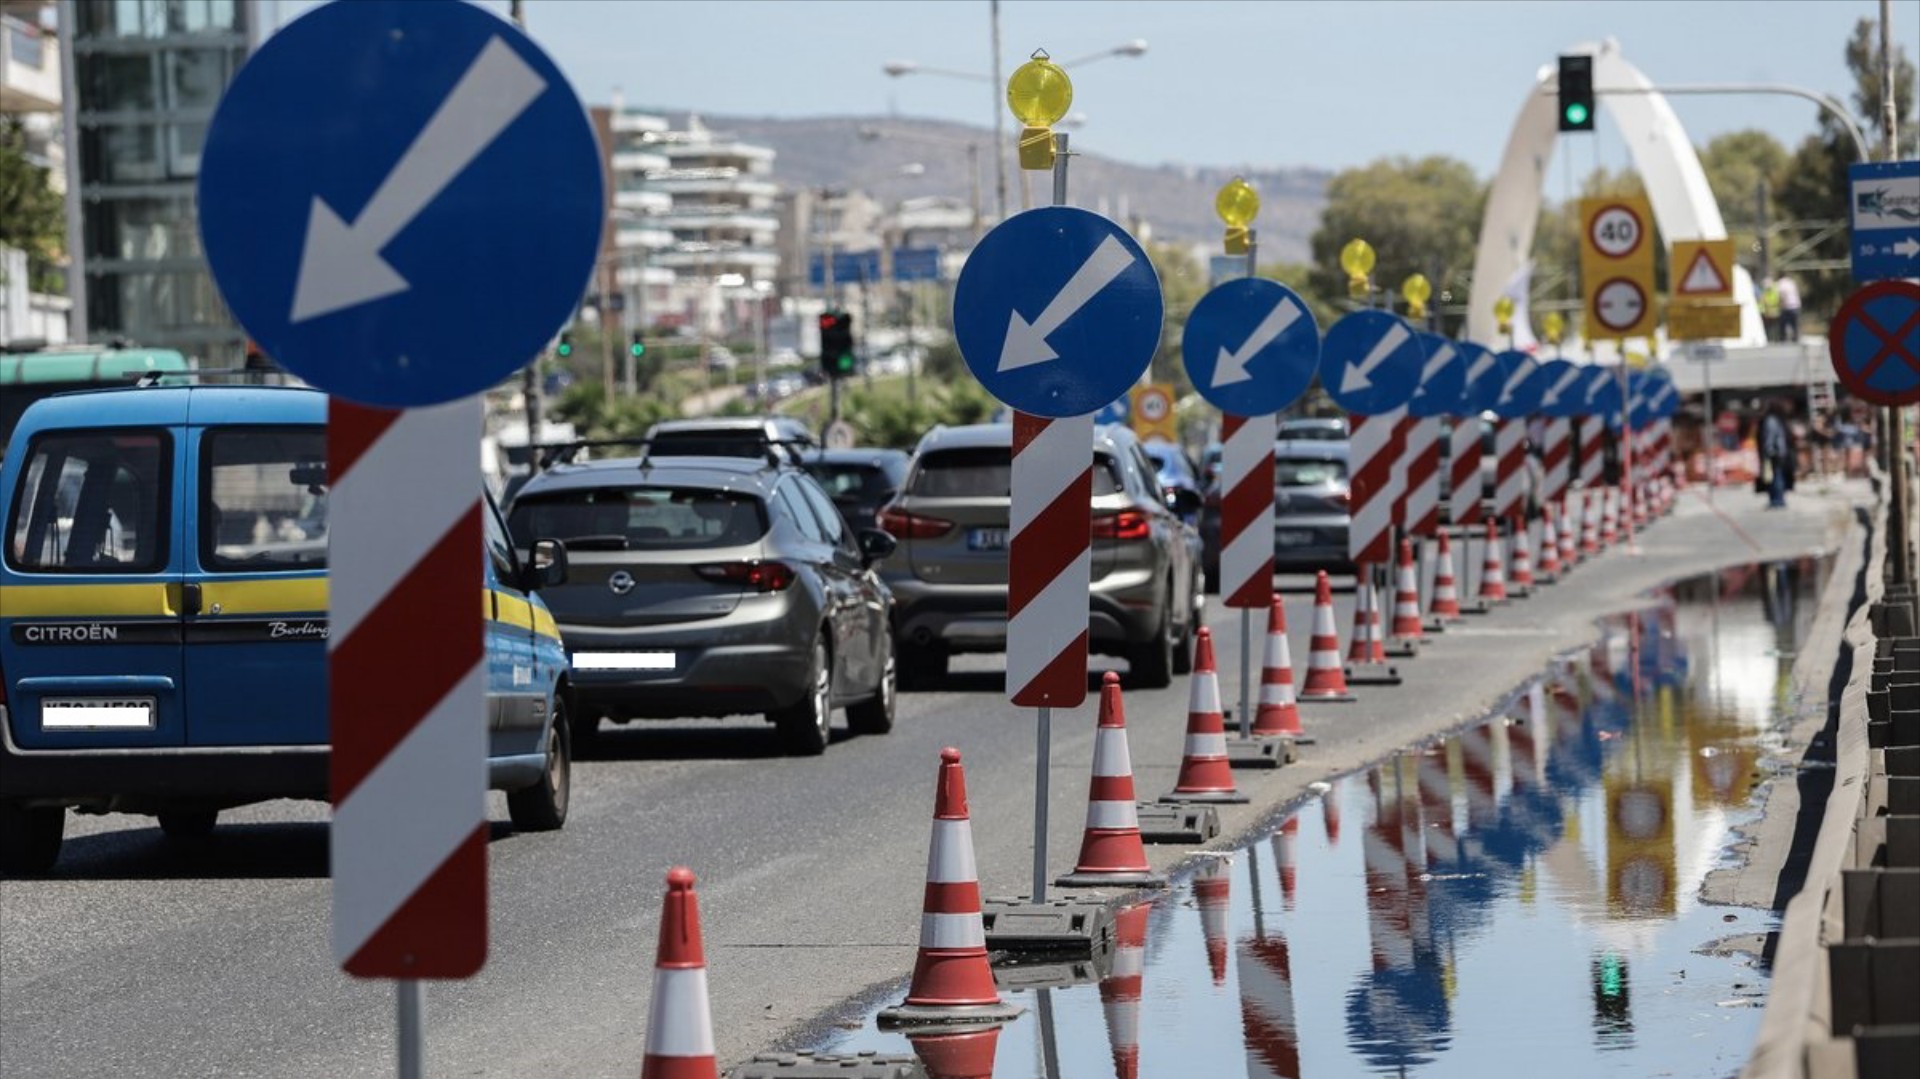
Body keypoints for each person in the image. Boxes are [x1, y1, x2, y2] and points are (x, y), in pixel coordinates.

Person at [1759, 398, 1793, 508]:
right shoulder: (1779, 419)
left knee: (1774, 477)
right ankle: (1779, 499)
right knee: (1777, 475)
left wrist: (1767, 450)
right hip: (1781, 452)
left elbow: (1770, 437)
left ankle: (1777, 500)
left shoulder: (1770, 420)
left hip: (1773, 452)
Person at [1776, 275, 1802, 342]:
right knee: (1794, 323)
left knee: (1783, 323)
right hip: (1795, 305)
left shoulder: (1780, 283)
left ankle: (1783, 337)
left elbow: (1782, 295)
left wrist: (1780, 304)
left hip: (1786, 306)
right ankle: (1795, 337)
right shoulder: (1792, 282)